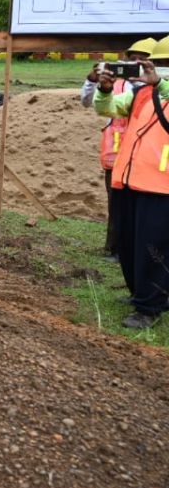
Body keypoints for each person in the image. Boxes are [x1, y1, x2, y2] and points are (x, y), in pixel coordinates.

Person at [94, 36, 169, 329]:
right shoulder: (141, 94)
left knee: (156, 248)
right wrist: (103, 89)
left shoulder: (159, 88)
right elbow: (108, 108)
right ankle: (140, 292)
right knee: (130, 244)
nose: (159, 68)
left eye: (165, 64)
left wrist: (160, 83)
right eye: (159, 63)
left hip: (161, 185)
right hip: (129, 180)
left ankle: (149, 308)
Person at [82, 38, 156, 262]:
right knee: (119, 206)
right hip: (118, 156)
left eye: (142, 60)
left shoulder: (159, 88)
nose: (135, 63)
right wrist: (96, 83)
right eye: (132, 59)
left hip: (150, 159)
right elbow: (93, 104)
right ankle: (116, 248)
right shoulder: (119, 85)